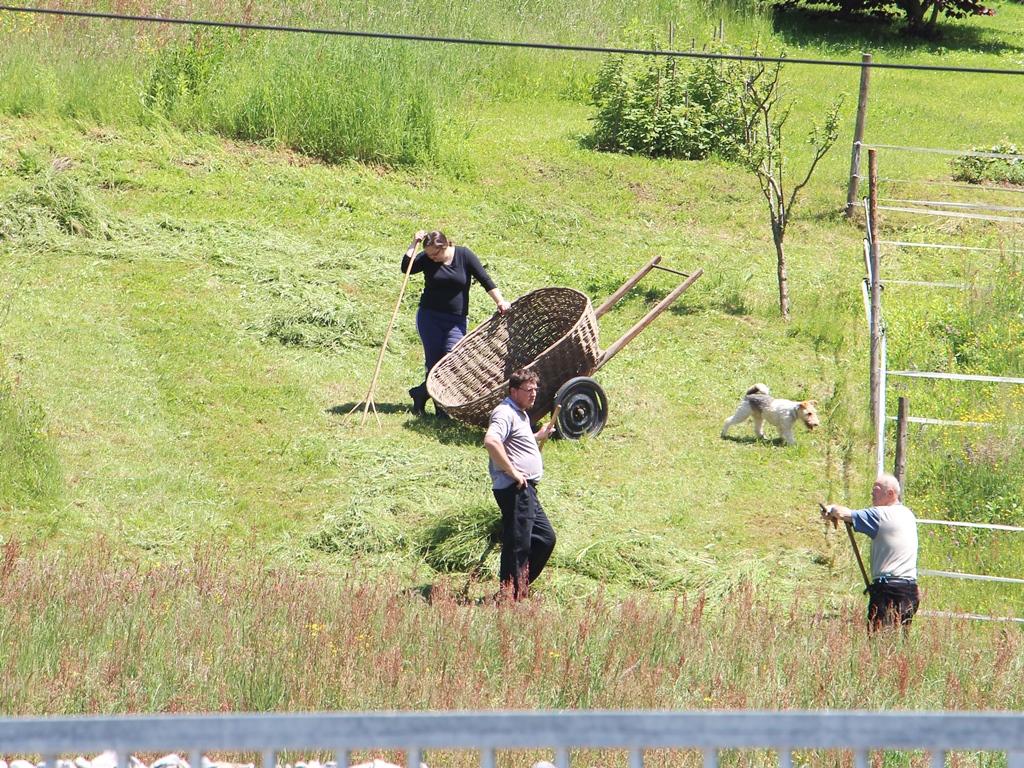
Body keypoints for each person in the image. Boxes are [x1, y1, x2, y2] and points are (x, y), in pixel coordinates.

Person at [402, 229, 511, 416]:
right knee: (434, 363)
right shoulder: (428, 257)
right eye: (428, 255)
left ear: (445, 246)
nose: (431, 258)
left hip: (456, 320)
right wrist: (414, 243)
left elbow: (485, 280)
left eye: (434, 254)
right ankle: (441, 409)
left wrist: (500, 301)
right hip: (430, 318)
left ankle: (421, 392)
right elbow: (407, 267)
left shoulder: (464, 255)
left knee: (451, 362)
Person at [483, 369, 557, 600]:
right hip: (514, 488)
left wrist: (537, 435)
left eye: (535, 389)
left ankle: (517, 589)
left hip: (527, 489)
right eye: (528, 390)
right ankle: (508, 596)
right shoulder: (505, 412)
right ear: (513, 391)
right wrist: (513, 471)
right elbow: (492, 441)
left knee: (545, 539)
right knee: (518, 544)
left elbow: (515, 440)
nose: (533, 394)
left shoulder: (521, 415)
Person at [821, 473, 921, 633]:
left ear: (890, 494)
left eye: (876, 489)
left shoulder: (881, 514)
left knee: (879, 642)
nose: (872, 493)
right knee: (899, 642)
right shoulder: (908, 514)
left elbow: (844, 514)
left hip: (889, 590)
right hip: (909, 590)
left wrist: (831, 508)